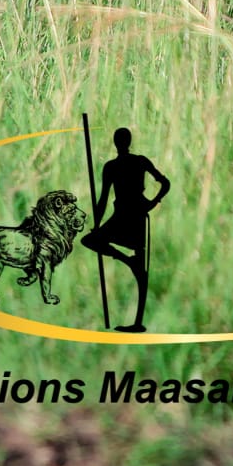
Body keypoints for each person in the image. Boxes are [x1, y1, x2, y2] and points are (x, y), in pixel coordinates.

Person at [81, 128, 168, 332]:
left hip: (128, 215)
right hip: (129, 214)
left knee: (93, 241)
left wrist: (153, 203)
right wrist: (152, 202)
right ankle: (130, 261)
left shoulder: (115, 166)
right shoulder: (136, 162)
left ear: (117, 142)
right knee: (91, 240)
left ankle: (138, 322)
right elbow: (166, 183)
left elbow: (102, 200)